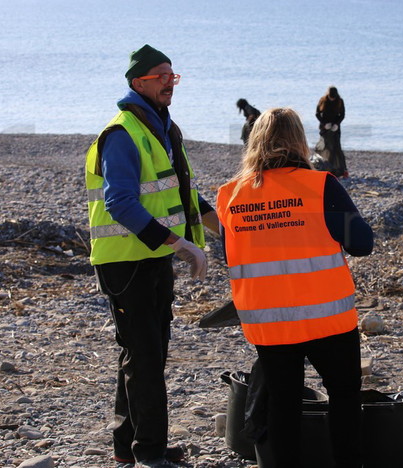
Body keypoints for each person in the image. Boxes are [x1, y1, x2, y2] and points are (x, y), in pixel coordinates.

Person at [85, 44, 219, 468]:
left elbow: (182, 191)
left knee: (145, 354)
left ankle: (130, 448)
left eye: (173, 76)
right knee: (145, 358)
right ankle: (149, 454)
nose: (169, 83)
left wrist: (225, 230)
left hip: (153, 261)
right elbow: (120, 203)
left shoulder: (162, 127)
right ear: (137, 82)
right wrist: (178, 244)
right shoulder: (122, 133)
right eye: (161, 76)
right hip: (126, 264)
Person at [216, 107, 373, 468]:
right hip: (327, 317)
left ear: (255, 141)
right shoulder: (320, 186)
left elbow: (231, 255)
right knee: (344, 397)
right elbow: (362, 243)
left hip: (269, 322)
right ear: (299, 141)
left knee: (283, 404)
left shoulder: (230, 196)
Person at [315, 86, 347, 178]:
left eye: (334, 98)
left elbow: (342, 114)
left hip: (335, 128)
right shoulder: (322, 100)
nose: (332, 99)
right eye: (331, 98)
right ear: (328, 95)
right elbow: (317, 113)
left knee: (336, 147)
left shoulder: (340, 101)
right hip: (325, 127)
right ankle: (324, 167)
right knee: (326, 145)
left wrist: (337, 124)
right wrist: (324, 124)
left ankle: (340, 169)